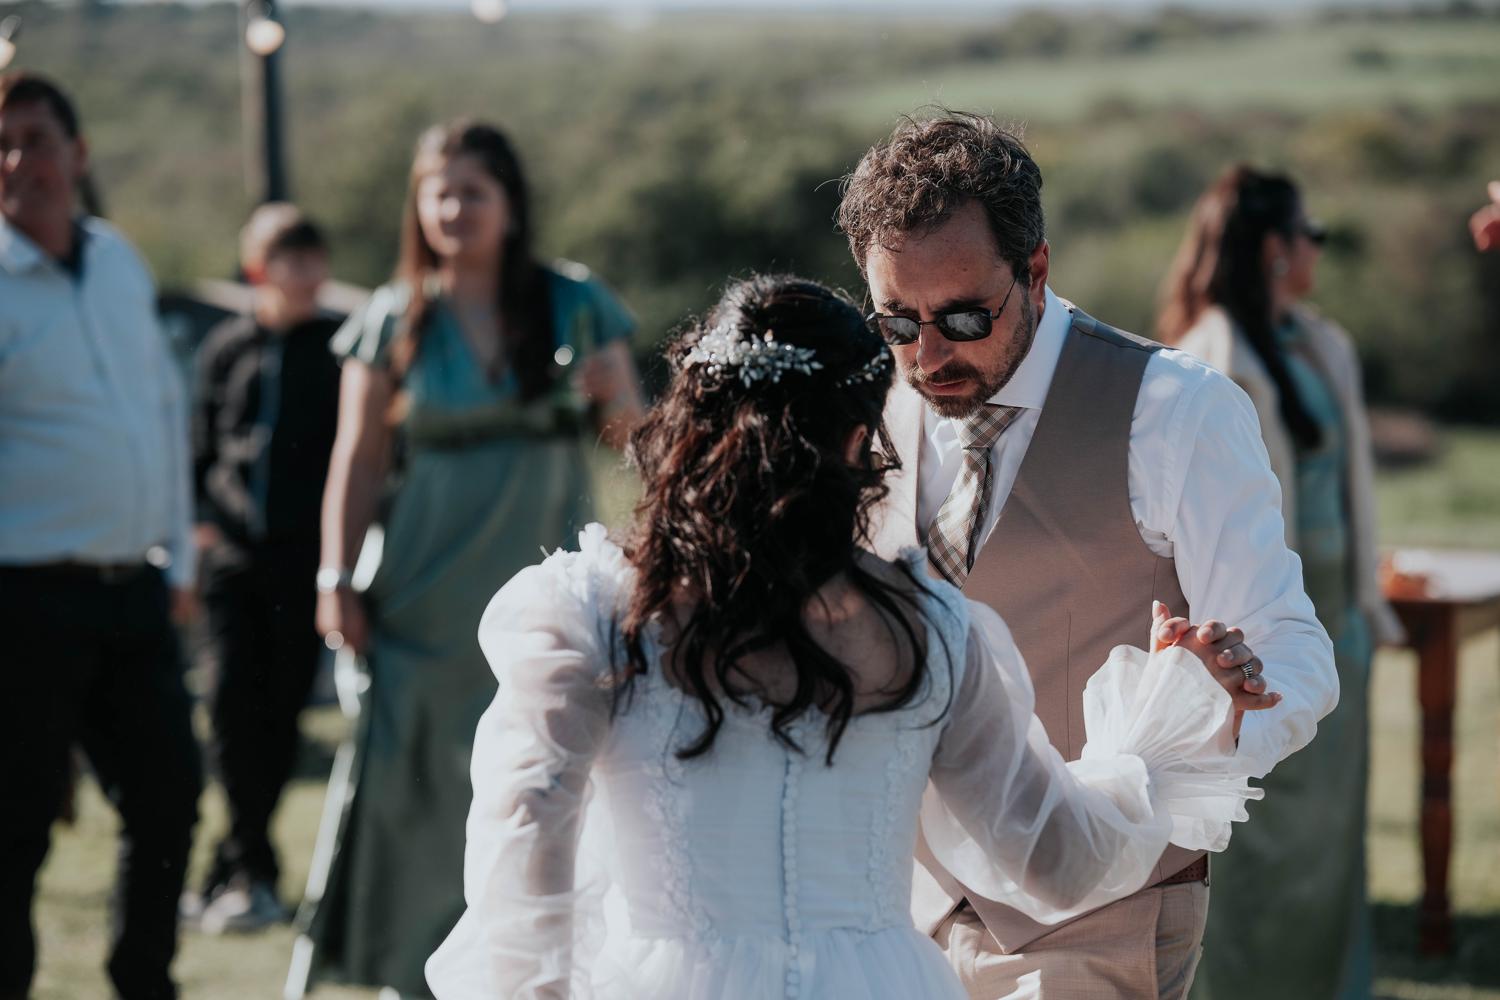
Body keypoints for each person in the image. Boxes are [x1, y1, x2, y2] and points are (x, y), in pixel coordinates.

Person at [424, 274, 1268, 999]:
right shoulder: (929, 630)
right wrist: (1164, 725)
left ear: (691, 425)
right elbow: (1055, 858)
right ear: (861, 440)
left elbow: (524, 844)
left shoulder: (595, 616)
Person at [837, 113, 1339, 999]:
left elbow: (1295, 656)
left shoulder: (1178, 410)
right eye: (897, 321)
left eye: (963, 315)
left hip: (1102, 916)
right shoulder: (872, 407)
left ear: (1036, 270)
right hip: (900, 921)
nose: (929, 353)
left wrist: (1204, 717)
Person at [291, 119, 645, 999]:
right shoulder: (392, 318)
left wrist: (616, 399)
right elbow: (356, 460)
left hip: (542, 590)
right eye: (437, 192)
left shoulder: (575, 303)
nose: (454, 209)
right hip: (422, 598)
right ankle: (413, 981)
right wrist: (335, 579)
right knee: (422, 796)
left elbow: (637, 443)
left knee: (545, 785)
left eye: (472, 191)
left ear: (510, 204)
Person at [1157, 165, 1404, 1000]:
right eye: (1312, 234)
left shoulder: (1321, 344)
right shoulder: (1206, 359)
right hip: (1258, 631)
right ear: (1274, 247)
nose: (1317, 250)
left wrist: (1364, 603)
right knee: (1254, 836)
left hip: (1341, 625)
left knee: (1334, 834)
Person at [0, 72, 201, 1000]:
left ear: (78, 155)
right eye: (2, 145)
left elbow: (161, 408)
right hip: (21, 599)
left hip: (134, 590)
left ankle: (142, 983)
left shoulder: (117, 259)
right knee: (14, 827)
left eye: (36, 139)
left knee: (168, 797)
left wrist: (179, 555)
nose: (18, 161)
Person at [187, 202, 342, 934]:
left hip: (303, 562)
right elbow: (200, 447)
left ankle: (239, 867)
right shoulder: (227, 348)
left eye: (314, 259)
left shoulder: (339, 349)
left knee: (280, 713)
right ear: (259, 269)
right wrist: (200, 533)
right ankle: (249, 865)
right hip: (230, 560)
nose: (306, 273)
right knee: (227, 706)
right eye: (290, 260)